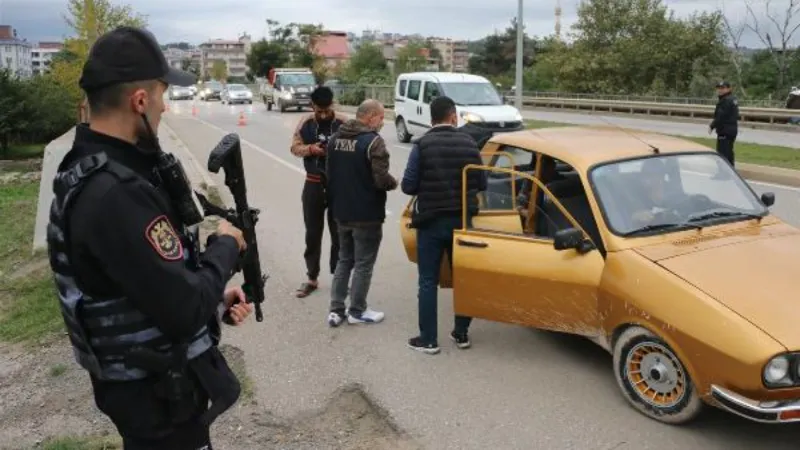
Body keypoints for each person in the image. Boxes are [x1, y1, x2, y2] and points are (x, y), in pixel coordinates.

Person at [45, 27, 253, 449]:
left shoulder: (92, 170)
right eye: (160, 97)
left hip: (153, 394)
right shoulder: (114, 195)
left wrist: (215, 297)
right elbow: (182, 309)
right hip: (159, 406)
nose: (163, 109)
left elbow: (143, 285)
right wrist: (226, 246)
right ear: (140, 101)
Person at [401, 96, 487, 355]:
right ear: (454, 116)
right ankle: (461, 334)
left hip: (430, 222)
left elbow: (408, 185)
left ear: (431, 119)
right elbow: (481, 183)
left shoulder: (422, 144)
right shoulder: (469, 142)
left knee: (428, 280)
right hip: (462, 222)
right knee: (463, 278)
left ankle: (428, 340)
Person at [324, 99, 397, 326]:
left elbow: (330, 174)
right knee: (364, 263)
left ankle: (336, 309)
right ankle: (357, 310)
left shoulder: (335, 139)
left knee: (344, 259)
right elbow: (381, 179)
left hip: (341, 212)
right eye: (381, 117)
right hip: (367, 214)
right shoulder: (373, 142)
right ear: (370, 116)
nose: (383, 122)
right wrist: (394, 183)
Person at [290, 86, 347, 298]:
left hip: (337, 186)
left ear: (332, 105)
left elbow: (355, 146)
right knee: (312, 234)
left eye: (326, 110)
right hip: (313, 184)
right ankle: (312, 278)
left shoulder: (343, 123)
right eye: (319, 110)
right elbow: (294, 148)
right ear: (312, 106)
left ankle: (339, 278)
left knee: (339, 235)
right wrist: (310, 149)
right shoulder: (306, 123)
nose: (323, 114)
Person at [709, 81, 739, 167]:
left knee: (723, 153)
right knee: (729, 152)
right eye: (719, 88)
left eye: (723, 88)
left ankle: (723, 172)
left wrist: (712, 126)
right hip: (732, 129)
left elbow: (721, 116)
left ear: (729, 89)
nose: (720, 90)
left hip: (725, 130)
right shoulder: (733, 99)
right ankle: (731, 171)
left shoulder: (725, 100)